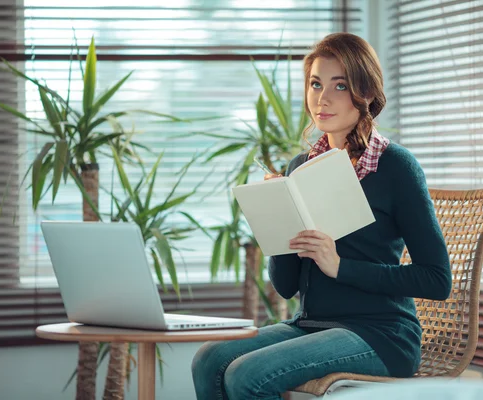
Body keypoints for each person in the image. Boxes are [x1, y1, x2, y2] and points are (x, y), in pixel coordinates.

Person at [191, 32, 452, 400]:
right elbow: (285, 287)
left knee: (248, 375)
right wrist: (277, 219)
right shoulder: (300, 166)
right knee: (208, 359)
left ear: (365, 93)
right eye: (316, 84)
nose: (322, 98)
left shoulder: (395, 166)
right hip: (310, 324)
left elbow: (437, 280)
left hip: (382, 334)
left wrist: (339, 266)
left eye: (339, 85)